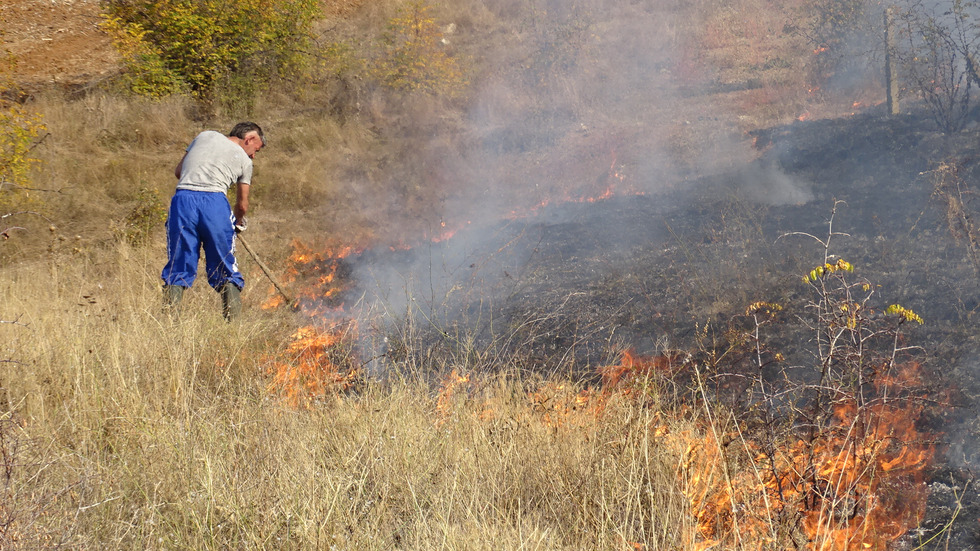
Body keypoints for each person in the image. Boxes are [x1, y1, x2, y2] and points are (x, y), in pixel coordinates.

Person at [161, 122, 265, 320]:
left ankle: (168, 326)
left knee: (178, 264)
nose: (253, 155)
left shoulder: (204, 136)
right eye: (255, 150)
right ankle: (232, 329)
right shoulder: (245, 161)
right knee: (225, 267)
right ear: (249, 139)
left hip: (182, 201)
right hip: (214, 203)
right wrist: (239, 222)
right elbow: (242, 205)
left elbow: (178, 172)